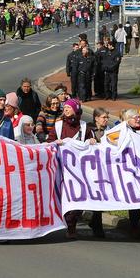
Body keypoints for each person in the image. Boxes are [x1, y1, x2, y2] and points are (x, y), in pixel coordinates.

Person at [47, 99, 93, 238]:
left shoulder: (85, 127)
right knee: (65, 196)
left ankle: (72, 223)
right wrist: (55, 142)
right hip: (62, 167)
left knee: (79, 196)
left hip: (79, 169)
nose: (65, 109)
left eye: (69, 107)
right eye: (64, 107)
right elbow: (49, 142)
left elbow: (92, 144)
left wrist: (92, 141)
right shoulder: (59, 125)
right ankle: (69, 225)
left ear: (76, 109)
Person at [86, 107, 111, 237]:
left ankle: (96, 223)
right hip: (91, 167)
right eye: (104, 117)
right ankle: (96, 224)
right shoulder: (87, 130)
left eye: (107, 117)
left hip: (104, 168)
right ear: (96, 118)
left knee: (102, 196)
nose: (106, 120)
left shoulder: (109, 131)